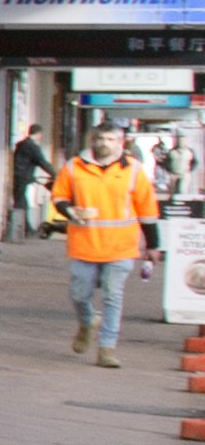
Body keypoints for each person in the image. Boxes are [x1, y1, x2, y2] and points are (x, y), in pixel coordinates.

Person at [55, 121, 157, 366]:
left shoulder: (133, 169)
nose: (105, 144)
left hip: (120, 247)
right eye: (100, 139)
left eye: (111, 139)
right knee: (79, 294)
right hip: (84, 244)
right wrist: (71, 211)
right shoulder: (73, 167)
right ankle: (88, 321)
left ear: (120, 143)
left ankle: (107, 349)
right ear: (92, 141)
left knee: (113, 296)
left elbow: (147, 209)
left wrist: (153, 245)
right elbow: (59, 197)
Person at [14, 126, 56, 237]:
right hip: (22, 177)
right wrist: (55, 174)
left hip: (19, 176)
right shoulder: (31, 146)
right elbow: (42, 162)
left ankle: (25, 229)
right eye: (40, 135)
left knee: (21, 201)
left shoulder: (22, 144)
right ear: (38, 134)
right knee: (21, 203)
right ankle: (25, 230)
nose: (40, 137)